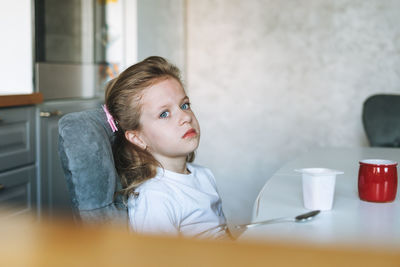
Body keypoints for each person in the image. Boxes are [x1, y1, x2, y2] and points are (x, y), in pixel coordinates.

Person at [104, 56, 231, 240]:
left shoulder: (203, 175)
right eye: (164, 114)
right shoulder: (155, 197)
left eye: (184, 105)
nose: (185, 117)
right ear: (137, 137)